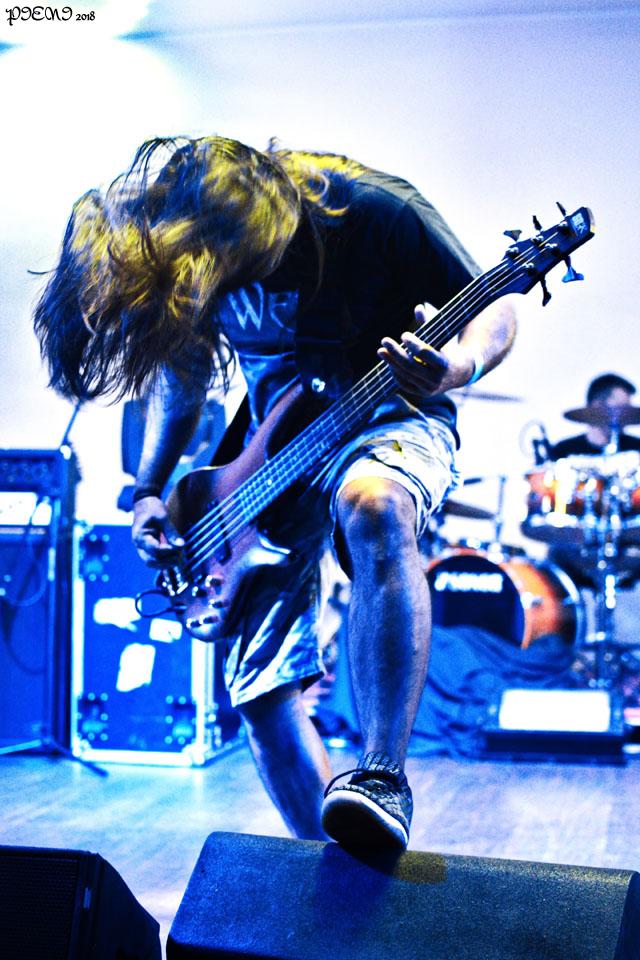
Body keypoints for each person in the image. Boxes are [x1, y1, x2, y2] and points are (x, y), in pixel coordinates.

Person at [33, 136, 516, 851]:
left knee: (375, 503)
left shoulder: (371, 209)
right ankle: (337, 871)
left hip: (388, 411)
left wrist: (457, 366)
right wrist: (149, 489)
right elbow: (183, 379)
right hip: (269, 461)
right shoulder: (182, 239)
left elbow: (495, 302)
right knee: (259, 692)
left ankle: (382, 776)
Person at [550, 373, 640, 459]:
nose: (625, 414)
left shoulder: (637, 448)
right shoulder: (563, 450)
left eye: (627, 410)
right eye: (619, 408)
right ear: (596, 406)